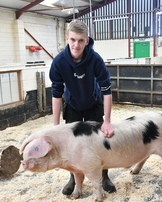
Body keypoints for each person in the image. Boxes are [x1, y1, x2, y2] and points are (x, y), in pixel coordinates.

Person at [49, 20, 116, 195]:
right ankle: (74, 178)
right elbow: (56, 94)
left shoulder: (95, 59)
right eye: (72, 40)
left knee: (99, 142)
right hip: (72, 106)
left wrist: (107, 121)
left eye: (80, 40)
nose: (76, 45)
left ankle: (104, 176)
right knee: (72, 145)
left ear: (87, 40)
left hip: (93, 103)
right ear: (67, 39)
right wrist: (56, 125)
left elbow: (107, 90)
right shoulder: (59, 62)